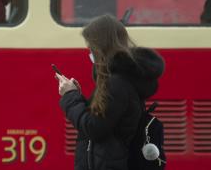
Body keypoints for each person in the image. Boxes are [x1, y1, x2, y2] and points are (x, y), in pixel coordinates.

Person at [55, 14, 165, 170]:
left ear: (102, 46)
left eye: (91, 47)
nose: (90, 53)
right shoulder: (121, 80)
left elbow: (93, 127)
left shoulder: (116, 84)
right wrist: (78, 96)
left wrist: (70, 96)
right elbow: (105, 119)